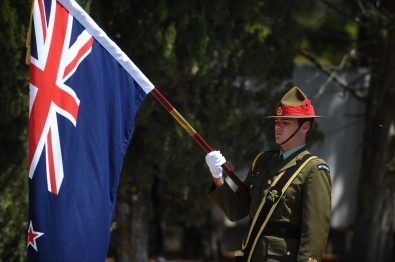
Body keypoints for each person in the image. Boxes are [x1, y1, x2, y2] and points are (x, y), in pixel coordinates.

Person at [205, 87, 332, 262]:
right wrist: (217, 177)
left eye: (286, 122)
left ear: (305, 126)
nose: (278, 127)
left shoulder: (313, 169)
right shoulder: (263, 161)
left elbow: (315, 231)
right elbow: (236, 211)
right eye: (276, 121)